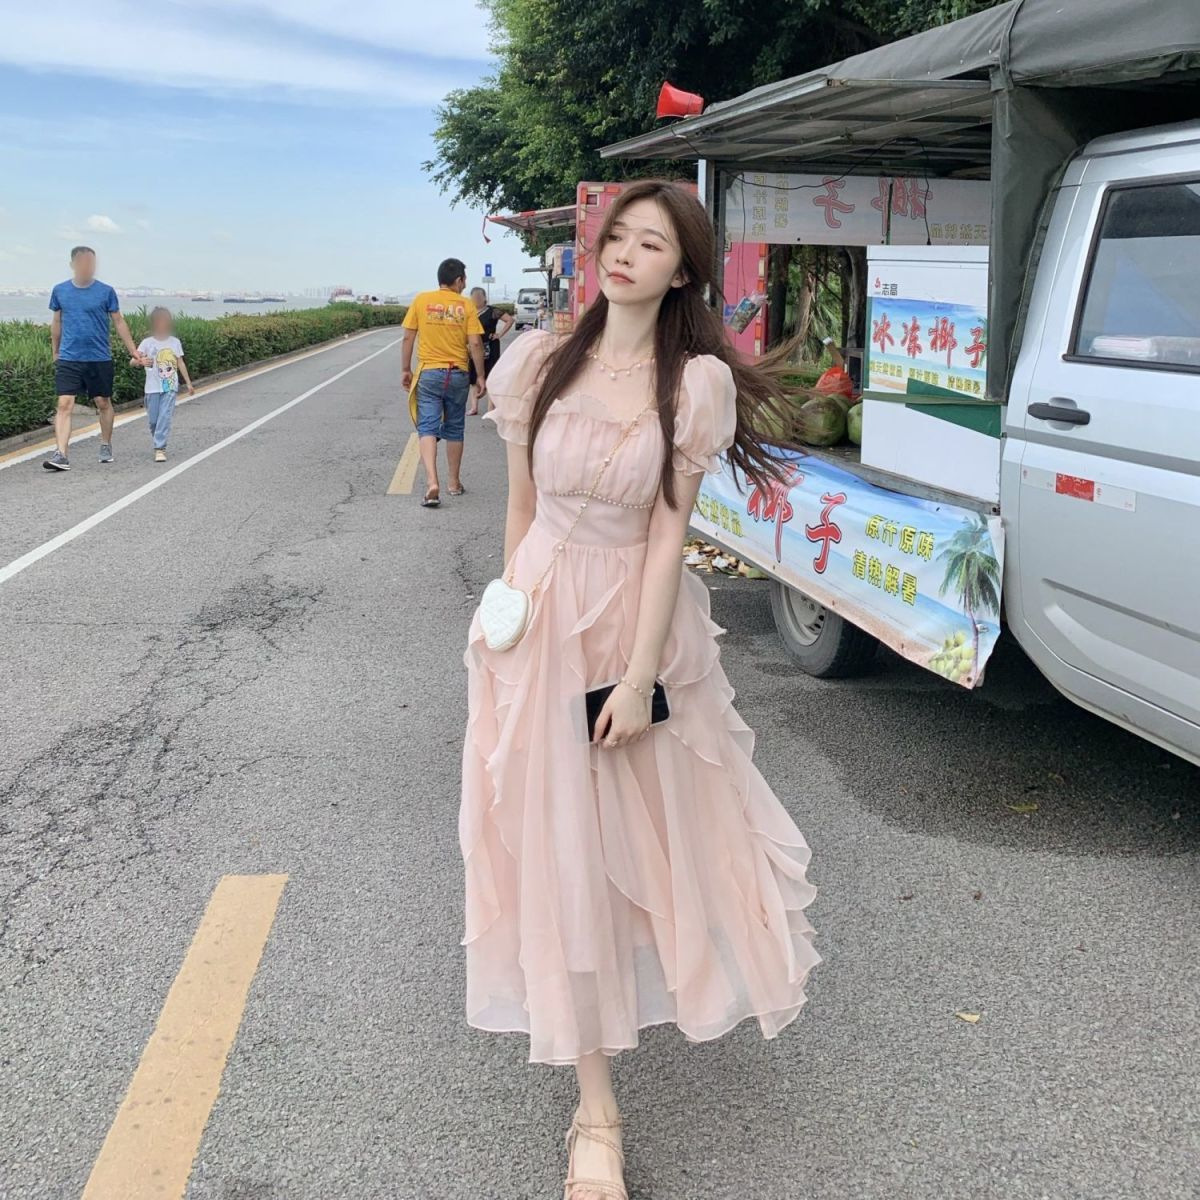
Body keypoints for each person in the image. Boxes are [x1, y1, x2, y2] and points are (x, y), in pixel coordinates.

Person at [460, 180, 820, 1199]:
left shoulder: (692, 384)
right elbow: (522, 510)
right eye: (616, 236)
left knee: (656, 836)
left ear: (683, 270)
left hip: (633, 628)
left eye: (650, 243)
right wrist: (505, 620)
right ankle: (596, 1111)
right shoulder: (538, 362)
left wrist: (640, 672)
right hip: (537, 628)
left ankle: (659, 980)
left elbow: (669, 537)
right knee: (556, 845)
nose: (622, 254)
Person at [44, 246, 148, 471]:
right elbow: (57, 322)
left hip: (99, 357)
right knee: (64, 404)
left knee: (103, 403)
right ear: (72, 265)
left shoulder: (105, 291)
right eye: (82, 262)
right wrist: (55, 351)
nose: (87, 267)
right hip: (70, 357)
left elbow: (118, 321)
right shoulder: (60, 291)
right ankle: (61, 454)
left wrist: (133, 350)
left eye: (91, 263)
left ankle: (105, 444)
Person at [400, 258, 488, 507]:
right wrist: (480, 376)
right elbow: (475, 343)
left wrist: (405, 369)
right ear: (458, 280)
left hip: (428, 373)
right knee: (455, 427)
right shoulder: (466, 305)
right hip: (458, 374)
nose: (464, 285)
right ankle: (453, 483)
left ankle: (432, 482)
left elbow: (408, 338)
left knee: (427, 427)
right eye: (464, 281)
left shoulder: (421, 300)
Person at [132, 307, 194, 463]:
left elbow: (180, 362)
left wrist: (188, 383)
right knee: (154, 421)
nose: (163, 323)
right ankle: (158, 441)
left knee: (164, 417)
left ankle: (160, 448)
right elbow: (132, 361)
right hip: (151, 388)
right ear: (154, 323)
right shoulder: (147, 343)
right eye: (159, 320)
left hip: (169, 386)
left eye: (166, 320)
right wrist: (140, 361)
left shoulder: (175, 342)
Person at [465, 287, 513, 417]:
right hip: (474, 347)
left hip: (491, 346)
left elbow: (509, 320)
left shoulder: (492, 311)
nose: (476, 299)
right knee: (474, 376)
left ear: (484, 297)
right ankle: (474, 407)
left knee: (491, 375)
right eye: (474, 296)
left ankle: (490, 408)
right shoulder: (469, 312)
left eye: (479, 296)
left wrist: (499, 335)